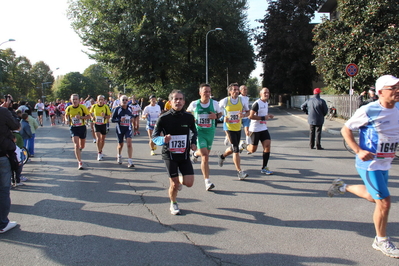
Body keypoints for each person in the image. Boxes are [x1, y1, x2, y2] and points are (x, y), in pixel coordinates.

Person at [328, 75, 399, 258]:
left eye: (398, 86)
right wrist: (358, 150)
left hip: (385, 163)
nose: (397, 90)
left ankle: (342, 186)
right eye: (393, 88)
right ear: (381, 92)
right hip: (369, 164)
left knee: (373, 197)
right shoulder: (369, 110)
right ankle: (381, 240)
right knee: (384, 202)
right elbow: (346, 129)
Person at [152, 90, 197, 215]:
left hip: (184, 154)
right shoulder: (163, 118)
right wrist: (163, 139)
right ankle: (173, 203)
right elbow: (154, 137)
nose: (178, 101)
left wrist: (194, 143)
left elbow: (194, 131)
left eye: (180, 99)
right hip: (169, 155)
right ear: (170, 102)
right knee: (174, 183)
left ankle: (179, 180)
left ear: (184, 101)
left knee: (189, 183)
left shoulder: (189, 117)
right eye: (175, 99)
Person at [187, 83, 222, 191]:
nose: (207, 93)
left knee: (204, 153)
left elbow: (221, 113)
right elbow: (187, 113)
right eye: (205, 91)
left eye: (209, 91)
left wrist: (215, 116)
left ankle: (194, 153)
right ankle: (207, 181)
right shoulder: (194, 104)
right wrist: (192, 119)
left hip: (210, 132)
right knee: (205, 156)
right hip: (199, 132)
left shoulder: (214, 103)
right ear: (200, 93)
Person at [218, 83, 249, 180]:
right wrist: (222, 118)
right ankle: (239, 172)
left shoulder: (242, 100)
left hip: (237, 127)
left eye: (237, 89)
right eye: (234, 89)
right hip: (228, 128)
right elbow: (217, 112)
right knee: (236, 149)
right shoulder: (225, 101)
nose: (236, 91)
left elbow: (248, 112)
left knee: (233, 147)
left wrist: (243, 116)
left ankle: (222, 156)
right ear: (230, 91)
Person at [241, 87, 275, 174]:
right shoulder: (257, 104)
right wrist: (263, 117)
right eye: (265, 93)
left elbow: (263, 113)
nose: (267, 94)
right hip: (255, 129)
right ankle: (243, 146)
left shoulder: (266, 103)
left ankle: (264, 167)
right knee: (252, 150)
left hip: (263, 128)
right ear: (260, 94)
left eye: (268, 92)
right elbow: (250, 116)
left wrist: (268, 115)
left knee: (267, 145)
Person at [0, 95, 20, 233]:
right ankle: (2, 223)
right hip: (2, 154)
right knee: (3, 190)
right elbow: (16, 126)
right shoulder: (3, 112)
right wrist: (9, 110)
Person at [65, 94, 91, 170]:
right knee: (76, 145)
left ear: (79, 100)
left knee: (82, 146)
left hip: (82, 127)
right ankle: (79, 162)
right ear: (71, 100)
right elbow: (66, 116)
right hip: (73, 127)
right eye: (73, 99)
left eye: (76, 99)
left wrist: (81, 117)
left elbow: (89, 116)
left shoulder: (83, 107)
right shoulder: (69, 108)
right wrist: (66, 120)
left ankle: (80, 150)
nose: (75, 101)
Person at [111, 95, 135, 168]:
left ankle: (130, 161)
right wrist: (119, 120)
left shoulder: (130, 108)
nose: (124, 101)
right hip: (120, 128)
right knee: (120, 144)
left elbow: (132, 116)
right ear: (120, 101)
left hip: (128, 128)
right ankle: (119, 155)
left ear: (128, 101)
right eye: (123, 100)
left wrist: (132, 119)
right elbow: (112, 119)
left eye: (126, 100)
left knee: (129, 144)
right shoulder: (117, 109)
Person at [90, 95, 111, 161]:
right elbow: (90, 113)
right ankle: (99, 153)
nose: (101, 101)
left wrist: (105, 116)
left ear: (104, 100)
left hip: (103, 124)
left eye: (102, 99)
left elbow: (109, 116)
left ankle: (100, 150)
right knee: (98, 139)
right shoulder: (94, 106)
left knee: (102, 140)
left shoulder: (106, 107)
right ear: (97, 100)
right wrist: (92, 117)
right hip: (96, 124)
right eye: (99, 99)